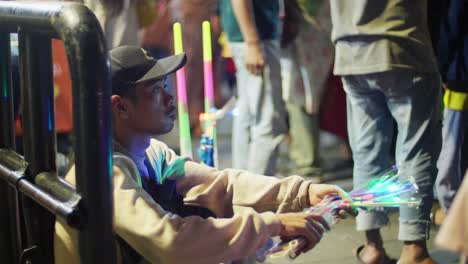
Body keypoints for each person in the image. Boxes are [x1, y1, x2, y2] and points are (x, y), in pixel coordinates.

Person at [54, 46, 355, 264]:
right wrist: (274, 225)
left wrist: (303, 193)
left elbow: (220, 184)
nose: (171, 99)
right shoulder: (105, 172)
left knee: (235, 243)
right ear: (119, 107)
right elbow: (171, 241)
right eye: (157, 90)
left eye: (167, 87)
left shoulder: (151, 151)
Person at [330, 1, 442, 264]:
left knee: (366, 151)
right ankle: (413, 249)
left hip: (350, 47)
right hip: (402, 41)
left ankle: (372, 247)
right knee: (415, 149)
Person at [220, 0, 288, 176]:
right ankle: (257, 196)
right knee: (268, 120)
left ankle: (242, 188)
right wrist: (253, 42)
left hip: (250, 36)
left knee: (249, 115)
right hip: (255, 38)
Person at [434, 0, 468, 213]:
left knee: (452, 152)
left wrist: (441, 68)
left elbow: (452, 24)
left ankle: (453, 212)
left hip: (461, 78)